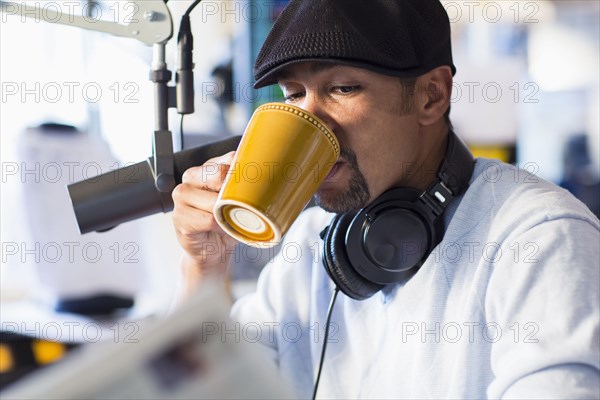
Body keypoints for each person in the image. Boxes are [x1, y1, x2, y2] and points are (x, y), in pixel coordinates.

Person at [171, 0, 600, 398]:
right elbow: (213, 391)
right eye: (295, 95)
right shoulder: (312, 241)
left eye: (341, 88)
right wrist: (205, 267)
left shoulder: (540, 238)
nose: (309, 120)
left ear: (431, 95)